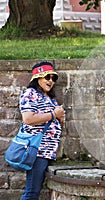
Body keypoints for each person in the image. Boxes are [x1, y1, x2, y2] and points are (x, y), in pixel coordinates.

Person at [20, 61, 65, 200]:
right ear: (37, 78)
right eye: (47, 77)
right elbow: (28, 119)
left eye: (53, 78)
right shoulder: (30, 94)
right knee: (32, 191)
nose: (51, 81)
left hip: (47, 151)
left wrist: (60, 117)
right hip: (37, 150)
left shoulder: (49, 98)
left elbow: (56, 120)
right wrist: (53, 114)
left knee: (35, 189)